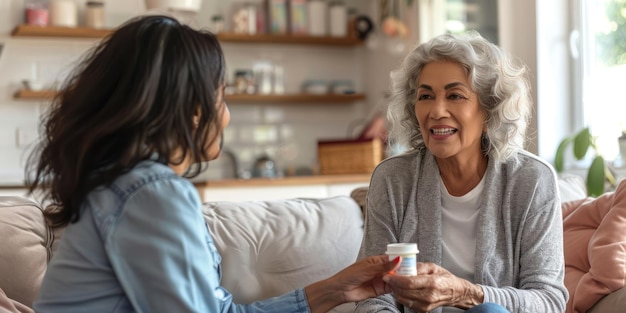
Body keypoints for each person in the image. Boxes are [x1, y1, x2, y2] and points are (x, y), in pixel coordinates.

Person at [25, 15, 401, 313]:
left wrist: (335, 289)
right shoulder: (151, 193)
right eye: (221, 98)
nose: (225, 117)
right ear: (192, 110)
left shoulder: (124, 184)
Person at [355, 32, 568, 313]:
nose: (437, 110)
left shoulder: (531, 180)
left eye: (455, 95)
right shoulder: (393, 179)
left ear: (490, 110)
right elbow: (372, 293)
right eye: (426, 96)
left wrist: (466, 294)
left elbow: (549, 301)